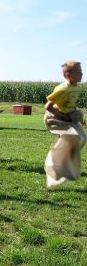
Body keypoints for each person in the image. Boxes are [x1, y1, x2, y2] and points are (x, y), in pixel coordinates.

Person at [44, 61, 86, 190]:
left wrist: (79, 118)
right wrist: (64, 117)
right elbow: (48, 106)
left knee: (82, 139)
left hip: (68, 118)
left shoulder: (77, 87)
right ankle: (52, 164)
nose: (82, 74)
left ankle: (61, 163)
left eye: (82, 71)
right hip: (55, 118)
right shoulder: (63, 89)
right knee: (73, 137)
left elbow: (69, 105)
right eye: (78, 72)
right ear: (68, 75)